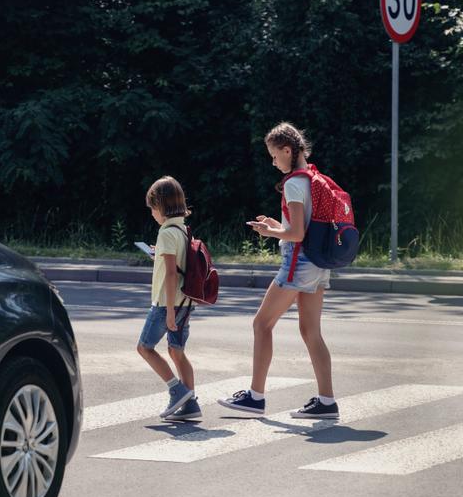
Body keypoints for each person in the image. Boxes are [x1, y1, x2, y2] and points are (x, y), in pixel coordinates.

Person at [218, 122, 338, 419]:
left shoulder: (294, 183)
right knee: (311, 332)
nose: (273, 162)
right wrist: (277, 225)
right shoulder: (312, 177)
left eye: (274, 155)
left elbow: (296, 234)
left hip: (298, 263)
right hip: (319, 262)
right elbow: (303, 228)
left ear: (287, 150)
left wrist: (269, 232)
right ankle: (326, 402)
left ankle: (255, 398)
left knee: (262, 324)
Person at [136, 176, 200, 421]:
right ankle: (191, 405)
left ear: (161, 206)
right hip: (186, 301)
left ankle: (177, 390)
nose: (152, 213)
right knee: (177, 351)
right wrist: (159, 255)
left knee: (144, 347)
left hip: (167, 303)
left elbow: (172, 273)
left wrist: (170, 313)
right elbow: (178, 265)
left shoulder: (166, 233)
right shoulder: (183, 229)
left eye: (152, 207)